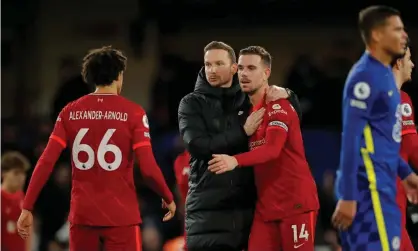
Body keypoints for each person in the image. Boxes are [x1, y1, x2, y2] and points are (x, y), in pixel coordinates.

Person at [17, 46, 176, 251]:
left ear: (91, 77)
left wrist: (27, 206)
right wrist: (167, 196)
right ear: (119, 75)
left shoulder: (69, 112)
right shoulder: (134, 113)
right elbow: (147, 167)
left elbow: (46, 162)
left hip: (83, 217)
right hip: (122, 218)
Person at [178, 41, 301, 251]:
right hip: (208, 211)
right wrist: (242, 132)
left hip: (247, 209)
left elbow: (287, 115)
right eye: (207, 64)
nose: (212, 70)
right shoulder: (191, 103)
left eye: (218, 64)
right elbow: (197, 145)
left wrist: (289, 94)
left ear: (234, 68)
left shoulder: (248, 99)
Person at [207, 46, 319, 251]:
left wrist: (235, 160)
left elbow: (272, 150)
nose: (244, 74)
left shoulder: (279, 106)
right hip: (266, 208)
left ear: (266, 73)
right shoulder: (244, 112)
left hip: (295, 204)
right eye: (240, 68)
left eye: (251, 68)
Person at [331, 6, 418, 251]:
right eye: (397, 29)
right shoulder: (365, 77)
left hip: (384, 185)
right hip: (367, 190)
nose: (403, 35)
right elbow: (351, 139)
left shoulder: (385, 80)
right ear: (377, 35)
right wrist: (348, 196)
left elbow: (385, 142)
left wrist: (407, 175)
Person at [391, 45, 418, 251]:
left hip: (397, 194)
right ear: (398, 62)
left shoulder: (403, 99)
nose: (412, 64)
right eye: (408, 58)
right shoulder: (390, 99)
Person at [1, 151, 32, 251]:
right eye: (16, 173)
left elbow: (29, 231)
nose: (21, 178)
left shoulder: (23, 198)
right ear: (3, 173)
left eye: (23, 173)